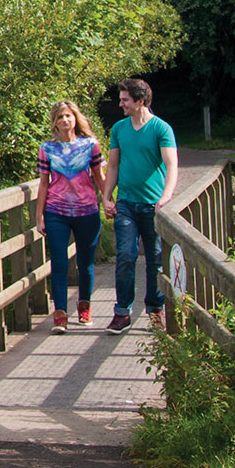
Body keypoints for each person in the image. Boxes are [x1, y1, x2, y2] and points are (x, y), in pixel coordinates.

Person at [101, 76, 178, 334]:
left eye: (125, 100)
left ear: (140, 101)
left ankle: (155, 309)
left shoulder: (161, 129)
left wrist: (166, 196)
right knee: (125, 255)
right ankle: (122, 312)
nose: (120, 104)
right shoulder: (119, 129)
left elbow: (172, 165)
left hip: (152, 206)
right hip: (126, 203)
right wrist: (106, 196)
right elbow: (113, 165)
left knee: (155, 259)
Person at [37, 100, 103, 332]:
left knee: (85, 263)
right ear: (55, 122)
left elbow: (100, 176)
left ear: (75, 118)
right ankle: (60, 315)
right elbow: (43, 184)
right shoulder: (47, 148)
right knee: (59, 263)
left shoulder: (90, 145)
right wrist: (39, 217)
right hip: (56, 211)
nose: (65, 120)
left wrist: (109, 200)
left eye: (68, 116)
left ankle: (84, 307)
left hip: (87, 211)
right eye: (60, 117)